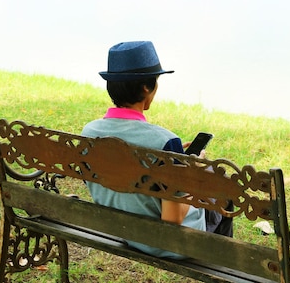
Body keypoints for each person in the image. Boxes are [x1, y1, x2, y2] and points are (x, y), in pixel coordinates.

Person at [82, 41, 232, 259]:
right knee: (224, 193)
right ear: (146, 87)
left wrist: (178, 160)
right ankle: (227, 262)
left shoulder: (89, 132)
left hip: (119, 229)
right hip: (165, 243)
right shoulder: (164, 141)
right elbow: (172, 220)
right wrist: (191, 173)